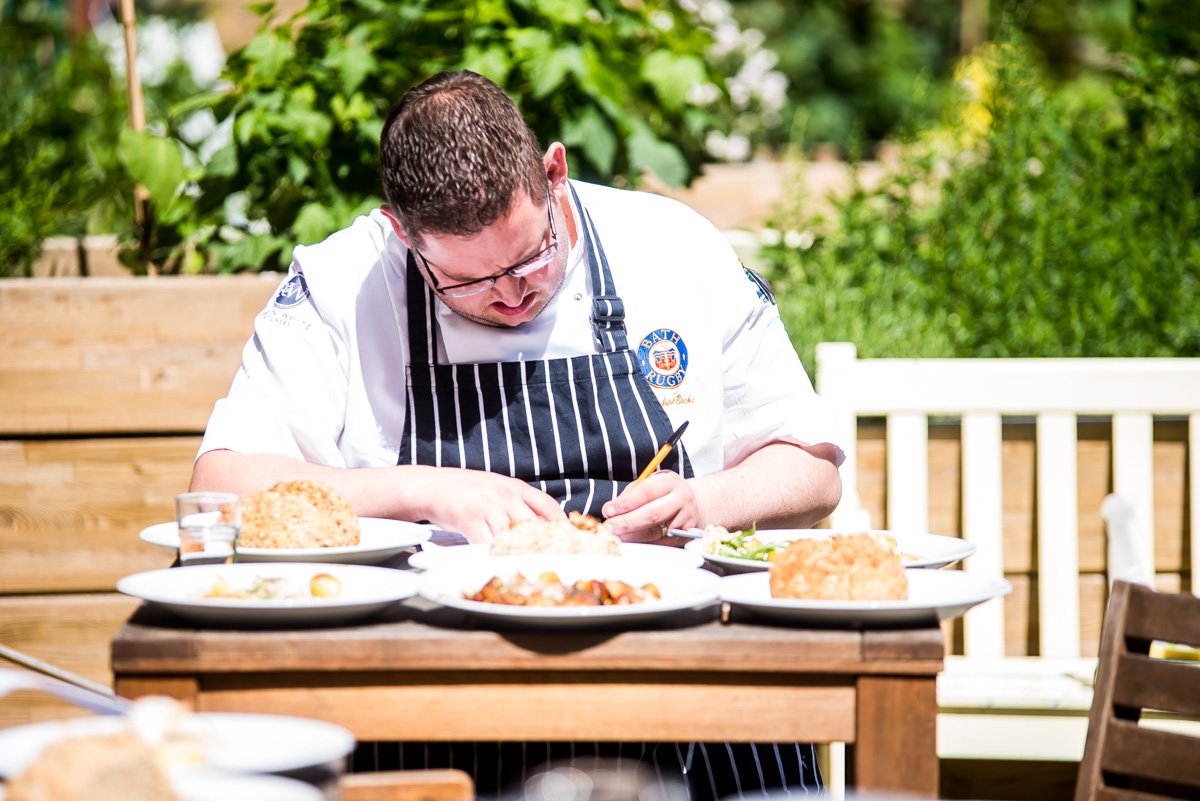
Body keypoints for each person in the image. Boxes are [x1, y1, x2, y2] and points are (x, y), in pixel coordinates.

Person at [190, 70, 843, 797]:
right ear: (403, 233)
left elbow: (811, 469)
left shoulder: (674, 247)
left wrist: (704, 502)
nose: (512, 293)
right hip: (436, 705)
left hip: (682, 681)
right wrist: (420, 489)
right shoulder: (342, 281)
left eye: (532, 255)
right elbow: (218, 485)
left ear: (554, 173)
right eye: (468, 282)